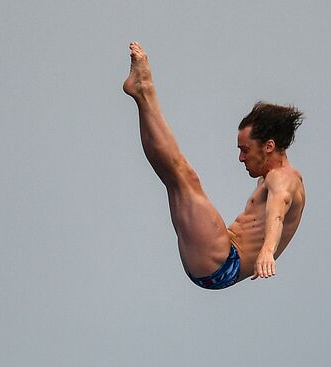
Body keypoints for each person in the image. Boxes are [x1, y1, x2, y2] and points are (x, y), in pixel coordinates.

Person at [123, 42, 306, 289]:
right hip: (217, 261)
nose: (241, 158)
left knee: (184, 176)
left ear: (269, 146)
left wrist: (267, 252)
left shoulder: (284, 178)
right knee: (174, 178)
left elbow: (278, 209)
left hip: (223, 262)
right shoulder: (272, 176)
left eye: (245, 150)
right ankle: (141, 96)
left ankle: (144, 90)